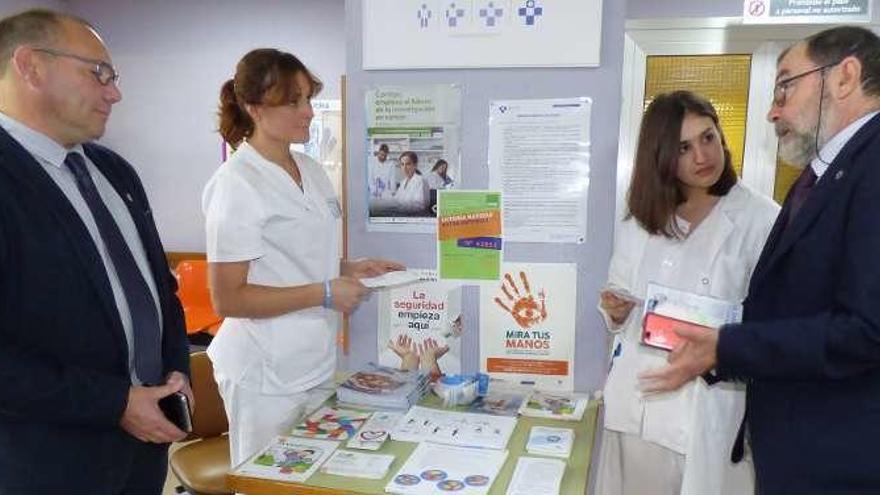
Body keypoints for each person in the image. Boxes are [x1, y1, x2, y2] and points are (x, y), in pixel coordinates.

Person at [640, 26, 880, 494]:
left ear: (845, 76)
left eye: (786, 86)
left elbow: (867, 329)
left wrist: (728, 346)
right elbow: (796, 306)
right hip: (807, 452)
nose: (773, 110)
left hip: (842, 460)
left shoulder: (871, 167)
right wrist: (721, 345)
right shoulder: (828, 176)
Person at [0, 9, 191, 494]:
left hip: (142, 457)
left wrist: (177, 371)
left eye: (114, 76)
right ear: (30, 66)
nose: (115, 92)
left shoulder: (115, 173)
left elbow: (160, 291)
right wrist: (114, 403)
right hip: (44, 463)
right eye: (98, 73)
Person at [205, 48, 404, 466]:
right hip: (263, 371)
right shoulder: (236, 184)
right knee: (267, 482)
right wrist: (326, 292)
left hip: (313, 360)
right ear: (255, 108)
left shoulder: (310, 169)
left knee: (311, 476)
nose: (309, 112)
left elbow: (294, 257)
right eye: (293, 101)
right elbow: (229, 299)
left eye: (308, 99)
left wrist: (349, 268)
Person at [595, 91, 779, 495]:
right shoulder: (641, 218)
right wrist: (616, 309)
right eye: (684, 147)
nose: (702, 155)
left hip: (708, 409)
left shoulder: (762, 219)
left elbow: (772, 323)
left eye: (708, 137)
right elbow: (619, 299)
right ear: (660, 155)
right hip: (639, 402)